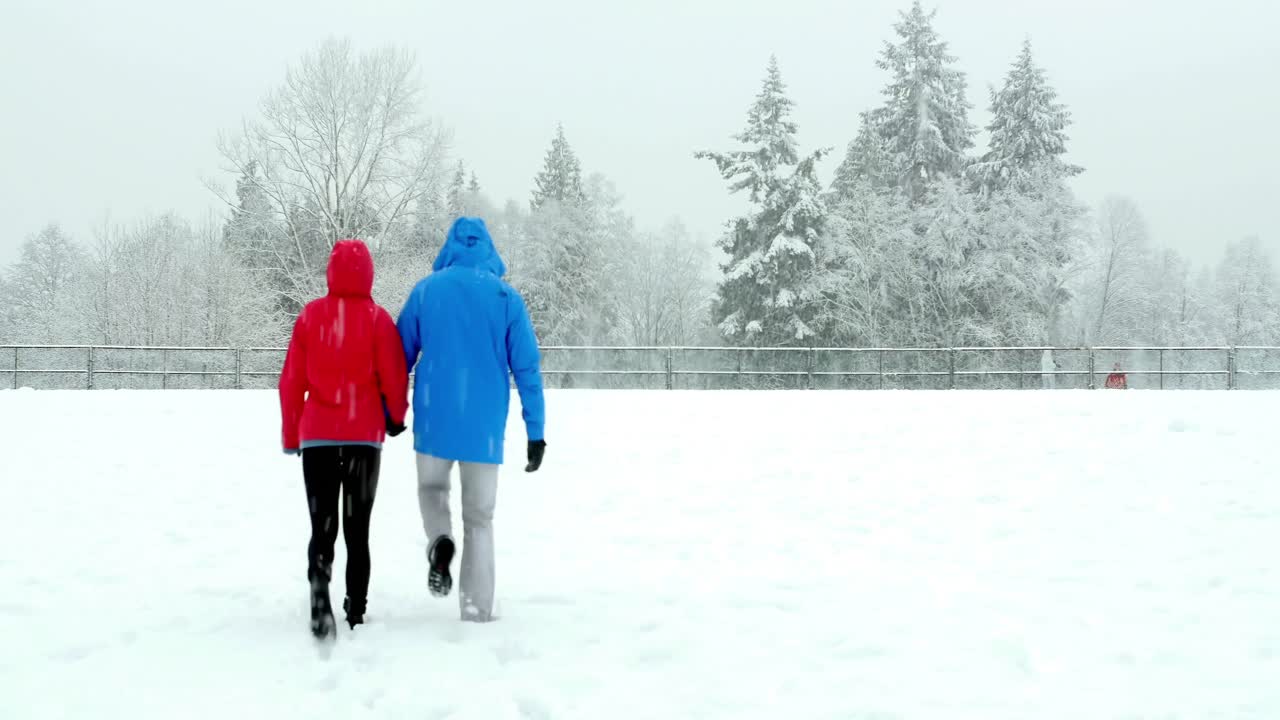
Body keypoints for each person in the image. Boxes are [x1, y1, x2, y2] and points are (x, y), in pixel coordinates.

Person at [397, 216, 546, 623]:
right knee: (479, 518)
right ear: (489, 250)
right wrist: (536, 431)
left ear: (450, 248)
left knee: (432, 489)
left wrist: (392, 409)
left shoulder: (426, 292)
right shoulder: (505, 298)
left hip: (435, 417)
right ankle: (477, 608)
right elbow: (527, 369)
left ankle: (440, 541)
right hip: (483, 427)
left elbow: (398, 357)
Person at [279, 239, 410, 641]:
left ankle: (321, 598)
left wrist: (291, 434)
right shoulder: (378, 320)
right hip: (362, 441)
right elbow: (394, 377)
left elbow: (290, 383)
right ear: (369, 273)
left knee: (323, 526)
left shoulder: (310, 317)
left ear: (330, 272)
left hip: (317, 438)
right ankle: (355, 607)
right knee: (358, 529)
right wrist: (395, 417)